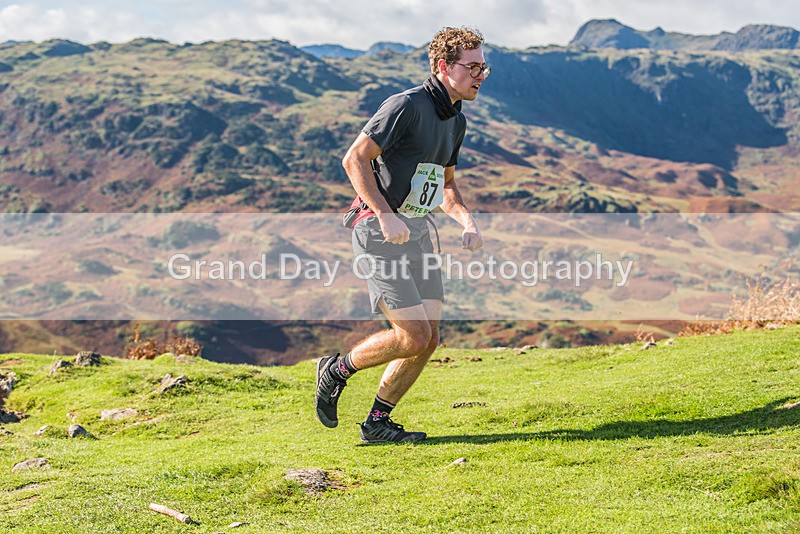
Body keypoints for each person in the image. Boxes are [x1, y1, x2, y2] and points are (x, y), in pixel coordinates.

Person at [315, 26, 490, 443]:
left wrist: (466, 220)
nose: (480, 75)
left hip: (419, 233)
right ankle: (336, 370)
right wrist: (384, 214)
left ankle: (377, 422)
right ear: (444, 67)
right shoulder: (406, 105)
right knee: (412, 335)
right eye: (472, 67)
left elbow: (446, 184)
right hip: (379, 232)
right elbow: (355, 159)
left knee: (428, 339)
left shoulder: (456, 121)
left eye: (484, 68)